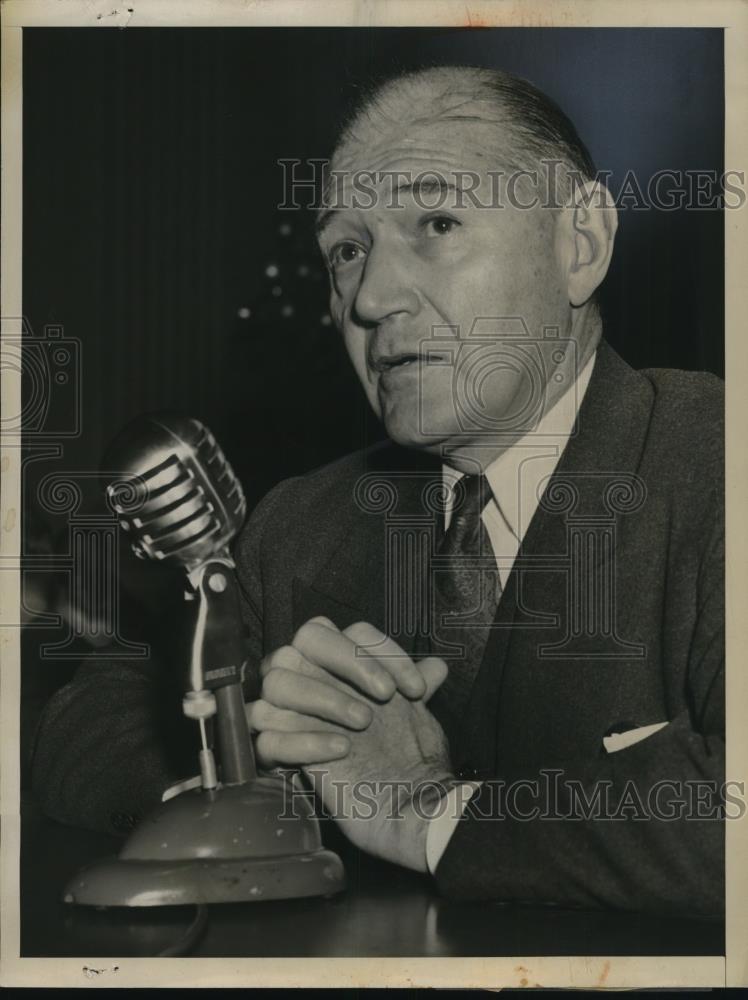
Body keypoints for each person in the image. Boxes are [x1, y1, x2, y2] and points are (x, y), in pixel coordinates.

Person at [32, 66, 724, 916]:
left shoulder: (718, 463)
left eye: (436, 222)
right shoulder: (297, 523)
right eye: (347, 251)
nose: (371, 297)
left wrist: (423, 808)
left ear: (577, 244)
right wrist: (264, 767)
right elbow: (86, 725)